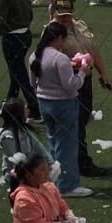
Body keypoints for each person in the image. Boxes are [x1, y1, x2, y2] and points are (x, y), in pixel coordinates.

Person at [43, 0, 112, 179]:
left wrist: (102, 73)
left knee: (82, 120)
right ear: (54, 13)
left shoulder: (78, 26)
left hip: (84, 80)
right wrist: (76, 66)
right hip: (67, 85)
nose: (64, 19)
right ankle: (79, 163)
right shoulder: (51, 32)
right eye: (61, 16)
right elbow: (50, 61)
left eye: (67, 15)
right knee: (74, 125)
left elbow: (92, 49)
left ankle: (72, 162)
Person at [30, 21, 91, 197]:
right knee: (68, 146)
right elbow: (71, 86)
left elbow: (33, 83)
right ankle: (67, 185)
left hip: (44, 103)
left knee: (53, 143)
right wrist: (82, 73)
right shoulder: (60, 58)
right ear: (58, 38)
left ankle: (52, 180)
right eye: (63, 40)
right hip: (63, 105)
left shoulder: (34, 56)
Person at [0, 97, 49, 185]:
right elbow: (15, 159)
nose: (27, 110)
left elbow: (39, 147)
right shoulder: (7, 136)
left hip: (29, 170)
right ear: (18, 114)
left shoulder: (24, 130)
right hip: (16, 175)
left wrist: (50, 163)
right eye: (25, 109)